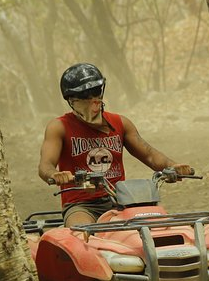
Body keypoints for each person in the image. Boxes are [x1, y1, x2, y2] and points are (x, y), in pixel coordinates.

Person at [38, 63, 192, 227]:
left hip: (122, 200)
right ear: (71, 100)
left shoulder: (121, 123)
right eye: (85, 95)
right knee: (81, 233)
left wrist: (173, 166)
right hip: (82, 205)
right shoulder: (59, 127)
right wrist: (55, 175)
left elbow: (149, 154)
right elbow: (45, 165)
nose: (92, 99)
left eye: (96, 91)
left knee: (159, 228)